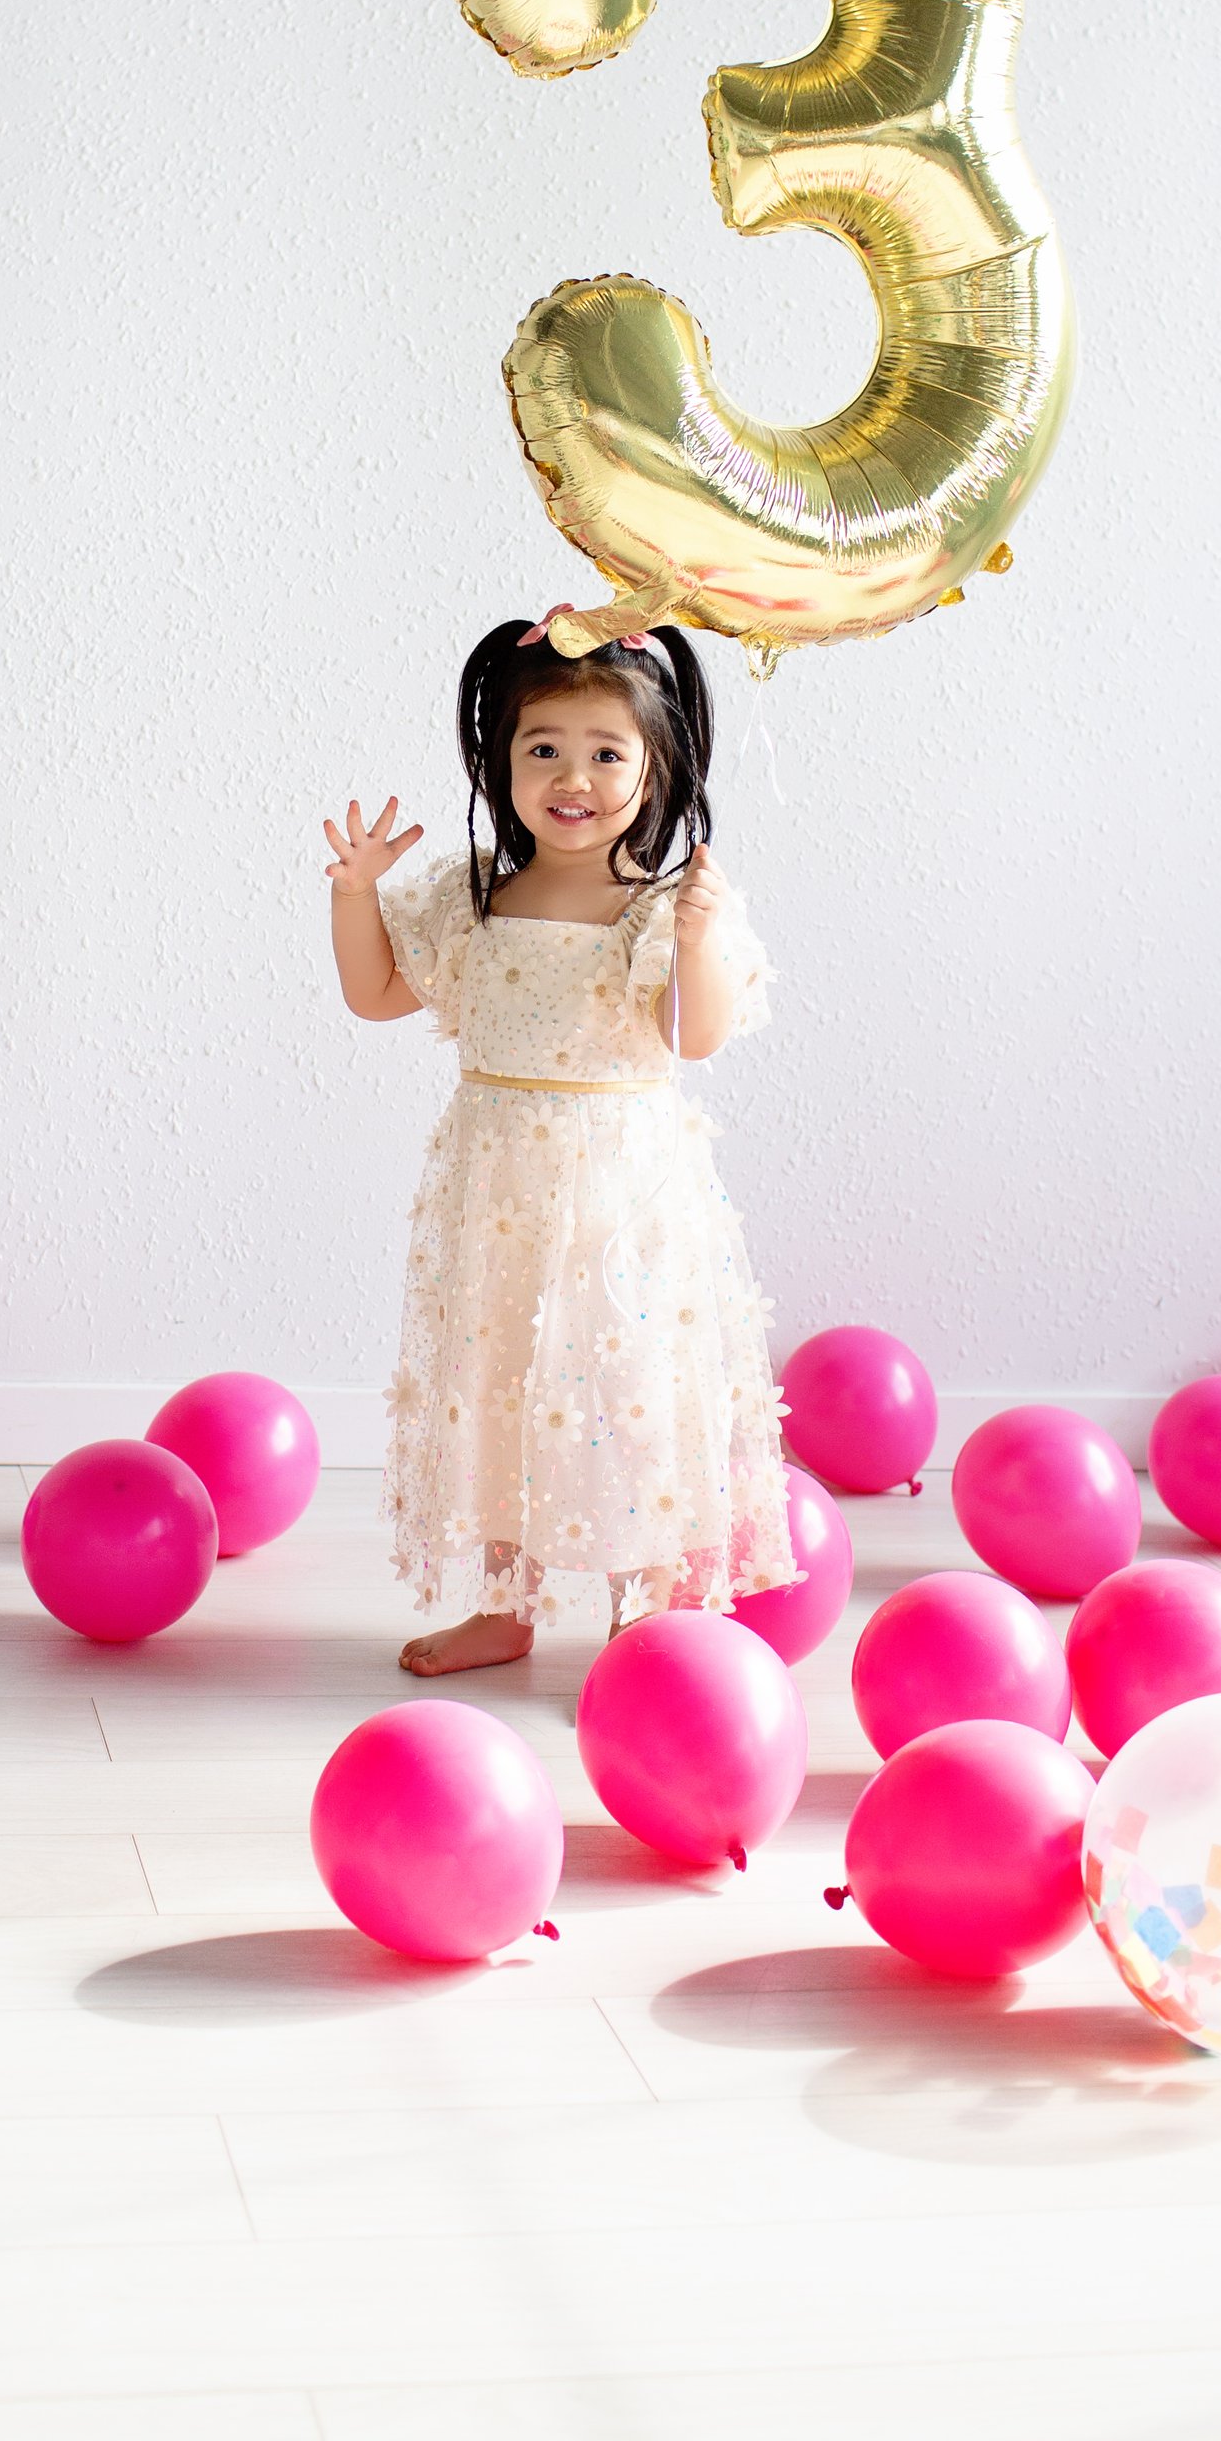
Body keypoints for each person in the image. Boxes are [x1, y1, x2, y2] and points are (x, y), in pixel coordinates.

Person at [323, 611, 795, 1673]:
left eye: (604, 753)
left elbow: (695, 1034)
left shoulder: (653, 905)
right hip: (500, 1186)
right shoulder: (476, 892)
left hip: (622, 1194)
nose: (570, 776)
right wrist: (356, 896)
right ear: (500, 761)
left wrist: (696, 943)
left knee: (620, 1389)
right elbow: (378, 993)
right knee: (501, 1384)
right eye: (542, 749)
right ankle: (505, 1603)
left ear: (657, 768)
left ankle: (642, 1611)